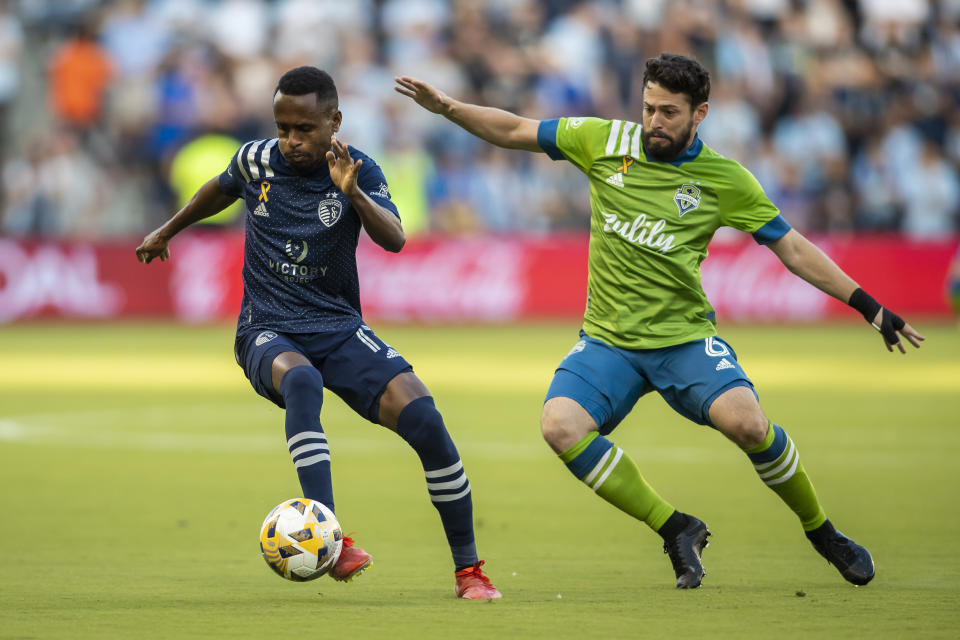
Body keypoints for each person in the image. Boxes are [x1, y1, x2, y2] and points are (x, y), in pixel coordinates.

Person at [395, 53, 925, 589]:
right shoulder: (601, 140)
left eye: (669, 112)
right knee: (560, 426)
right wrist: (447, 108)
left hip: (684, 340)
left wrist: (869, 306)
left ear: (700, 114)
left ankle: (822, 531)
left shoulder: (723, 179)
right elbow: (514, 129)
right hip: (608, 343)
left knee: (748, 424)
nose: (654, 122)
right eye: (648, 108)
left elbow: (789, 247)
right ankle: (676, 528)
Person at [136, 66, 501, 599]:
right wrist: (167, 230)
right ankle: (331, 537)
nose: (291, 141)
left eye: (304, 129)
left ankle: (470, 572)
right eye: (283, 127)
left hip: (337, 326)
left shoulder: (358, 170)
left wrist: (353, 195)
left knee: (425, 419)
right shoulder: (257, 158)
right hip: (267, 327)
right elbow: (218, 189)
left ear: (334, 121)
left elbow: (395, 239)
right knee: (301, 382)